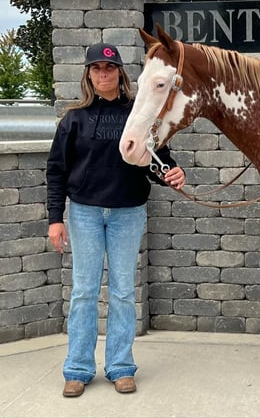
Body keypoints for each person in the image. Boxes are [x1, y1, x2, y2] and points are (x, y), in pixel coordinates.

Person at [46, 42, 186, 398]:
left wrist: (171, 172)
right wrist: (55, 218)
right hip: (85, 213)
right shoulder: (73, 119)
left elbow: (158, 159)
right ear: (88, 75)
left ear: (120, 73)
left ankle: (121, 367)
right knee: (84, 291)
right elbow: (56, 170)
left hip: (128, 212)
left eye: (109, 68)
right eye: (96, 68)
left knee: (123, 291)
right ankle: (78, 368)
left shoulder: (138, 112)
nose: (103, 74)